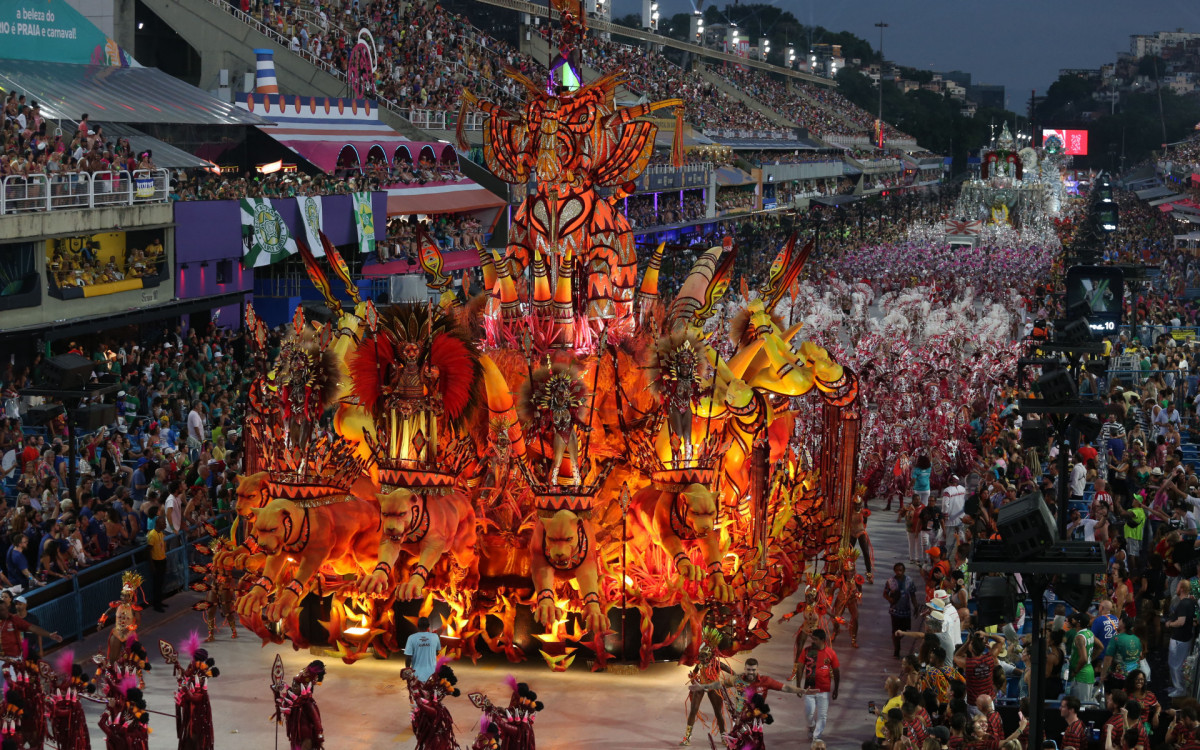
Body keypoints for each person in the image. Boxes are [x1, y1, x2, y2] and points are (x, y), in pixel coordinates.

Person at [680, 631, 729, 746]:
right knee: (693, 711)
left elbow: (727, 668)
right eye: (700, 656)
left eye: (703, 656)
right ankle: (687, 738)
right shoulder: (700, 664)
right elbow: (695, 673)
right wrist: (693, 678)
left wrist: (738, 678)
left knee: (718, 713)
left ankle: (724, 737)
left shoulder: (716, 664)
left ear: (709, 656)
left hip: (713, 687)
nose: (700, 659)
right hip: (701, 687)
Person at [1166, 578, 1197, 698]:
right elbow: (1193, 621)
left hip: (1179, 639)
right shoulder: (1190, 602)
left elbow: (1181, 622)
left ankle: (1179, 689)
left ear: (1182, 589)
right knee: (1177, 664)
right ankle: (1177, 686)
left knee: (1175, 664)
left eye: (1178, 586)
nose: (1176, 588)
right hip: (1185, 638)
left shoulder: (1184, 604)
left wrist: (1169, 624)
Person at [884, 562, 919, 658]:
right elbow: (885, 593)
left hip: (906, 610)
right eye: (897, 570)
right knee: (895, 631)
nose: (899, 572)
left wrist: (915, 606)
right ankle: (897, 650)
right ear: (894, 571)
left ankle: (897, 639)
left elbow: (913, 595)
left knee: (904, 630)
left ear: (904, 571)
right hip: (895, 611)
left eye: (901, 570)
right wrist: (890, 599)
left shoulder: (909, 581)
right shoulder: (890, 581)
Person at [1066, 611, 1097, 703]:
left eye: (1074, 619)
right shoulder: (1089, 632)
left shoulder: (1079, 637)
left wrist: (1075, 672)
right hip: (1088, 671)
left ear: (1078, 623)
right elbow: (1100, 647)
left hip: (1081, 675)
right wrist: (1090, 659)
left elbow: (1083, 658)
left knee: (1081, 706)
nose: (1072, 620)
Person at [404, 616, 441, 682]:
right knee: (431, 691)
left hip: (416, 675)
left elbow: (408, 657)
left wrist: (407, 670)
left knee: (416, 692)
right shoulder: (435, 637)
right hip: (432, 675)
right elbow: (437, 652)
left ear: (417, 625)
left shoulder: (412, 638)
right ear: (428, 626)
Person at [146, 506, 167, 612]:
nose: (165, 525)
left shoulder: (161, 533)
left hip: (162, 560)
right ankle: (156, 605)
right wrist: (152, 565)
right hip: (156, 562)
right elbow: (148, 550)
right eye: (163, 523)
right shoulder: (152, 535)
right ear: (158, 523)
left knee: (161, 583)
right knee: (157, 585)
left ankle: (160, 601)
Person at [875, 676, 902, 741]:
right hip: (882, 734)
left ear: (890, 686)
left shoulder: (896, 703)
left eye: (886, 682)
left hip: (885, 737)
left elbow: (894, 720)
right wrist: (879, 714)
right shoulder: (893, 699)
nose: (885, 683)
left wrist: (879, 713)